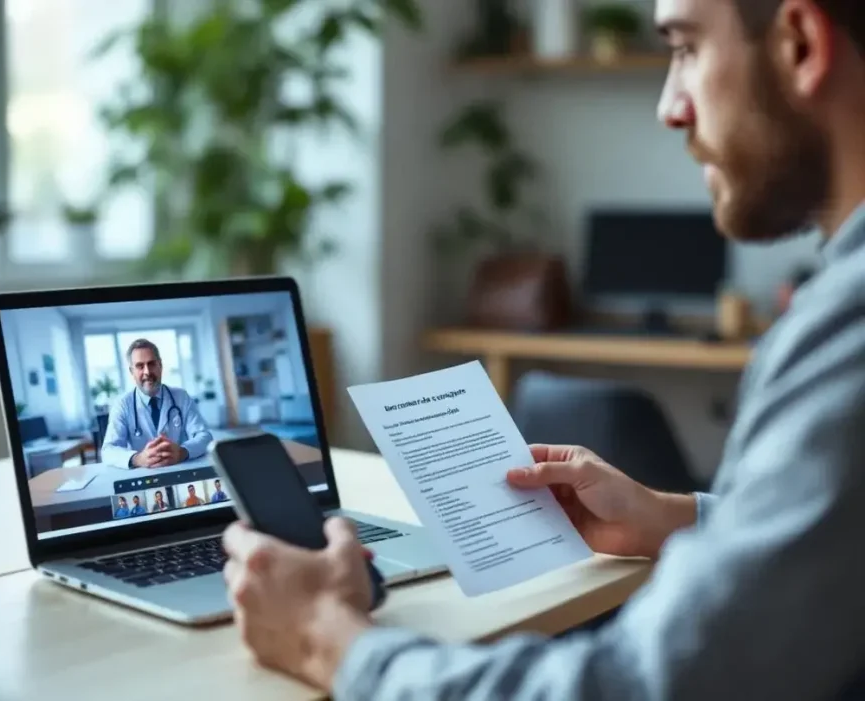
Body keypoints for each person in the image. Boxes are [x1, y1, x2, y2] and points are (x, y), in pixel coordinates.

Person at [221, 1, 865, 699]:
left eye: (686, 48)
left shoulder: (846, 326)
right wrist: (676, 516)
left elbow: (643, 687)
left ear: (800, 45)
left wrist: (329, 640)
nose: (670, 107)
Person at [101, 338, 213, 470]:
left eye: (151, 364)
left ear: (160, 365)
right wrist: (138, 459)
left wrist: (182, 452)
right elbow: (108, 451)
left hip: (178, 469)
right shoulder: (123, 404)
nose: (147, 372)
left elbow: (205, 437)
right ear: (132, 371)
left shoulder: (181, 397)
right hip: (143, 476)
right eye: (140, 366)